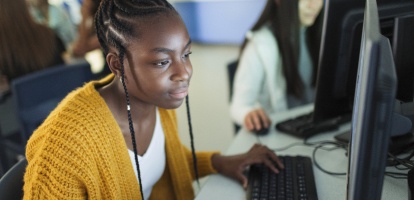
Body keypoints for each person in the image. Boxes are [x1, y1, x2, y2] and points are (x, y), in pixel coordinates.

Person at [23, 0, 284, 199]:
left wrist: (220, 162)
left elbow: (165, 159)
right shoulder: (66, 146)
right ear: (117, 64)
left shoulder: (155, 101)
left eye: (186, 54)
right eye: (162, 62)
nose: (184, 73)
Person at [230, 0, 324, 133]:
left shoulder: (317, 34)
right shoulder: (261, 44)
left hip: (314, 129)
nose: (313, 5)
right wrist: (249, 114)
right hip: (281, 135)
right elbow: (239, 106)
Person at [0, 0, 66, 94]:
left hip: (22, 106)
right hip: (62, 101)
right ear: (25, 7)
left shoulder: (4, 49)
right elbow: (65, 70)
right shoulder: (48, 34)